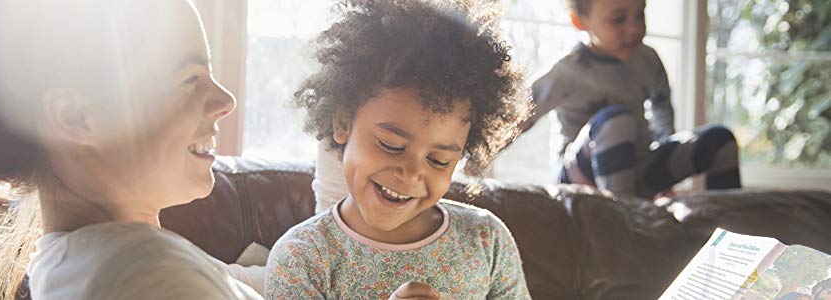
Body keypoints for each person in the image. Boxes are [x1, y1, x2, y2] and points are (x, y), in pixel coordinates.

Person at [0, 0, 260, 298]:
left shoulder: (72, 259)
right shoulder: (150, 278)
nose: (225, 101)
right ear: (75, 117)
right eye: (189, 78)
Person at [266, 0, 533, 299]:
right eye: (391, 145)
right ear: (342, 122)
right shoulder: (303, 258)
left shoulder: (486, 240)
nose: (412, 173)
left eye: (439, 160)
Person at [519, 0, 742, 200]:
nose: (634, 28)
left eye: (640, 14)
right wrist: (483, 160)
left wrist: (664, 151)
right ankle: (625, 220)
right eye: (618, 19)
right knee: (617, 121)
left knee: (720, 140)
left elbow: (662, 107)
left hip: (639, 171)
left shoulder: (648, 59)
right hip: (580, 180)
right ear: (580, 21)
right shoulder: (566, 71)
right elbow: (513, 119)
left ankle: (726, 233)